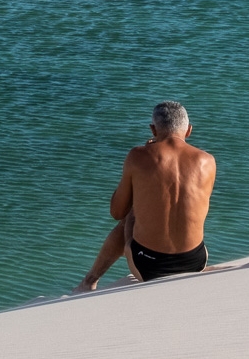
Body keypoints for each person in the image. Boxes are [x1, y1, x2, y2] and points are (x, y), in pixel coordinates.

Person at [73, 101, 217, 292]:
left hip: (150, 267)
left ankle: (89, 281)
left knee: (128, 216)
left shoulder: (137, 156)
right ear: (189, 130)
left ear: (153, 129)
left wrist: (142, 176)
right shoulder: (208, 161)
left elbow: (117, 211)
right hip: (195, 262)